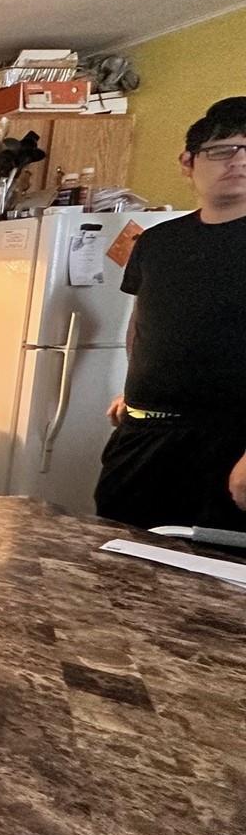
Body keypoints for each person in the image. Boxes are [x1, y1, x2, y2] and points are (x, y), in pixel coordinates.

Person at [95, 96, 246, 530]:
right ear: (188, 162)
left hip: (230, 442)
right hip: (144, 435)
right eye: (221, 150)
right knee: (120, 559)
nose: (236, 161)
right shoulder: (158, 242)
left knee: (212, 581)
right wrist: (137, 388)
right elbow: (144, 321)